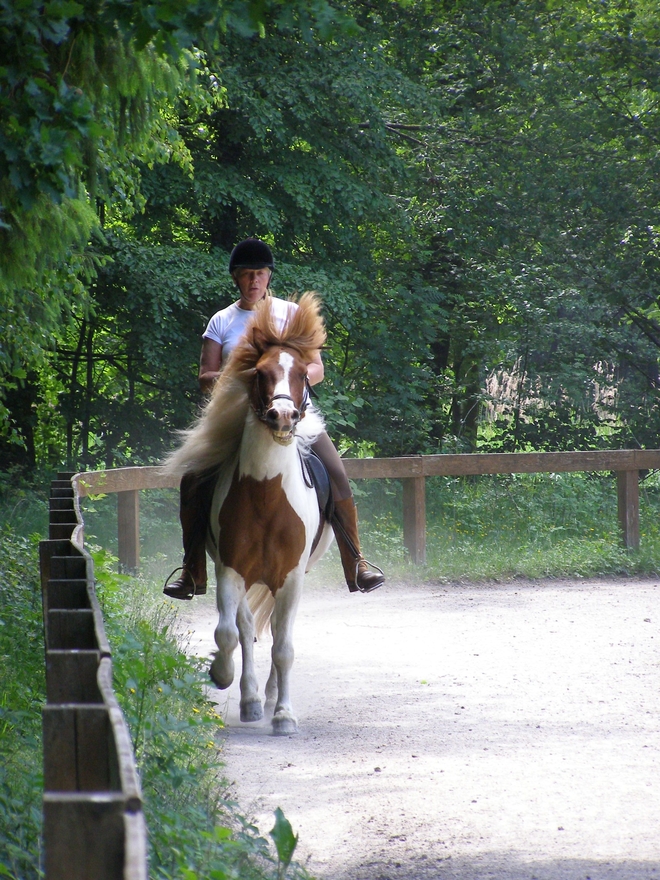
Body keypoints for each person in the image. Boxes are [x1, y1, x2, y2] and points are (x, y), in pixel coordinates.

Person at [164, 237, 385, 600]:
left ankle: (356, 561)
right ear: (236, 278)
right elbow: (206, 377)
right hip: (236, 419)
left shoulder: (292, 314)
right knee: (193, 479)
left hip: (295, 414)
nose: (255, 280)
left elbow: (317, 368)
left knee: (337, 474)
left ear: (269, 277)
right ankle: (192, 569)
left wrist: (288, 382)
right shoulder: (221, 321)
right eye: (247, 274)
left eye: (261, 274)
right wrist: (246, 377)